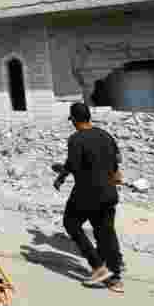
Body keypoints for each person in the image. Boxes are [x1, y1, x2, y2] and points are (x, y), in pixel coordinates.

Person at [55, 102, 124, 293]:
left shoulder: (75, 140)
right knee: (105, 231)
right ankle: (115, 276)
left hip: (87, 193)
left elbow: (74, 166)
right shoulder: (105, 135)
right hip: (109, 192)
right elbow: (117, 160)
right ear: (89, 117)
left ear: (74, 120)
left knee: (71, 223)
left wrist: (60, 172)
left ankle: (98, 267)